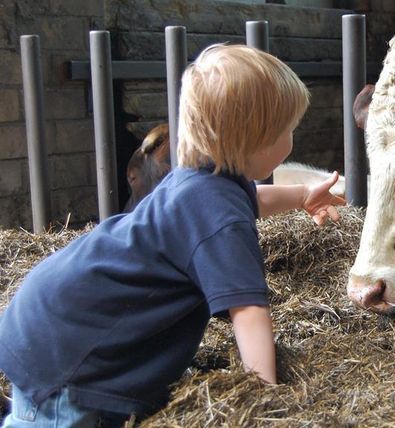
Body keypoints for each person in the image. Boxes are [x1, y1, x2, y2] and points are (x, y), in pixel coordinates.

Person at [0, 44, 345, 426]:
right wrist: (263, 399)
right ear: (256, 140)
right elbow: (248, 311)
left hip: (53, 319)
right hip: (74, 363)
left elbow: (252, 201)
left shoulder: (201, 181)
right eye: (289, 128)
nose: (293, 134)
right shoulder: (217, 214)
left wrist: (300, 196)